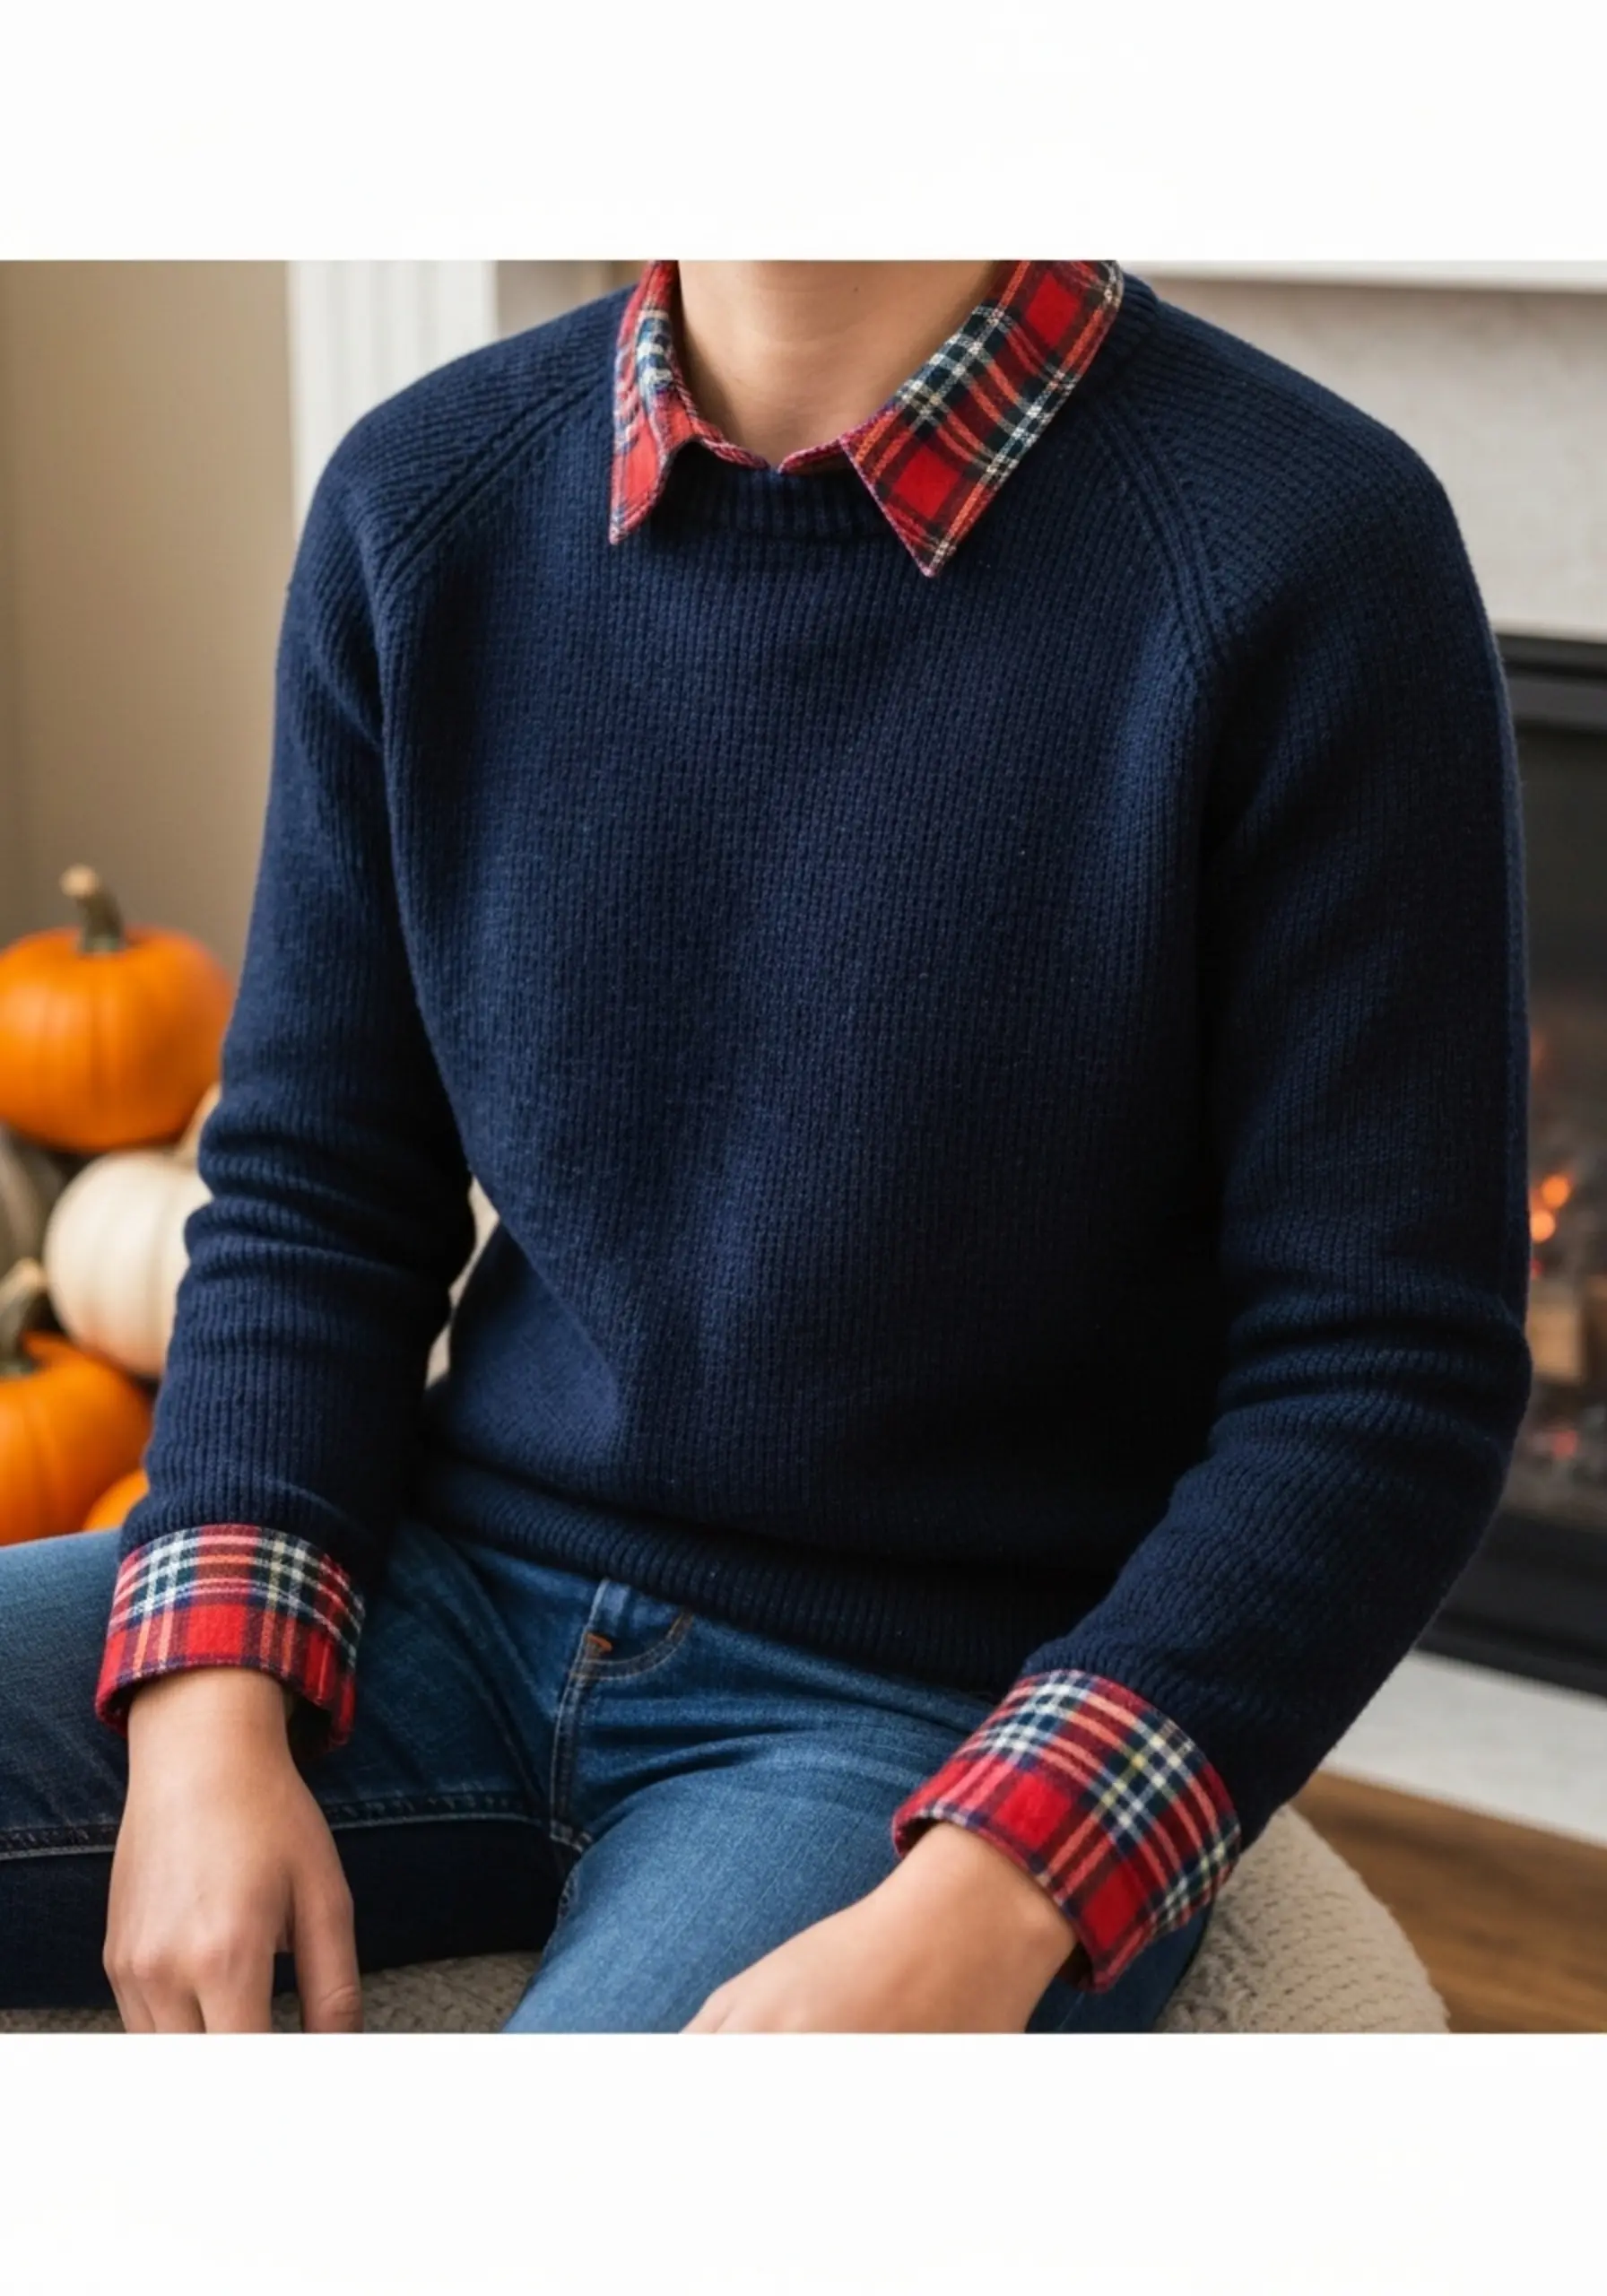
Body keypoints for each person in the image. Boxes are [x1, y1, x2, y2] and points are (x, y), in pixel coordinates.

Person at [0, 259, 1531, 2034]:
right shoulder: (420, 498)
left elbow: (1383, 1375)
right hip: (446, 1595)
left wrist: (996, 1886)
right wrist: (207, 1702)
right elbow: (316, 1181)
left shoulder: (1308, 550)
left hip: (924, 1701)